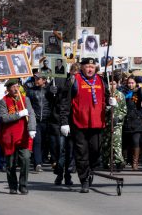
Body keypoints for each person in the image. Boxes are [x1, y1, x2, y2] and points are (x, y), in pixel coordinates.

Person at [59, 58, 108, 193]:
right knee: (81, 153)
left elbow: (107, 97)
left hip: (97, 123)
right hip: (79, 123)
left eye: (92, 66)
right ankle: (84, 179)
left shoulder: (101, 81)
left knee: (95, 150)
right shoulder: (74, 80)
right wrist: (64, 122)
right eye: (87, 66)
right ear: (82, 67)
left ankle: (90, 170)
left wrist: (111, 101)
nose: (90, 69)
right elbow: (65, 101)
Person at [0, 79, 36, 195]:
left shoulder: (25, 100)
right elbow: (4, 118)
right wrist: (19, 114)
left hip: (23, 136)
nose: (16, 89)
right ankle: (13, 186)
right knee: (10, 163)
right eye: (13, 87)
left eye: (17, 86)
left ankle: (23, 185)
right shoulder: (3, 101)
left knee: (25, 159)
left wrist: (32, 128)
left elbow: (31, 114)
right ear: (8, 89)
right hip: (9, 137)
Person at [25, 72, 51, 172]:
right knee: (37, 141)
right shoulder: (31, 91)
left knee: (45, 142)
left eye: (38, 79)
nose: (36, 80)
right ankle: (37, 163)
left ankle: (41, 158)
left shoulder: (49, 91)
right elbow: (28, 105)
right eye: (35, 79)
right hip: (36, 120)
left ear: (44, 80)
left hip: (47, 119)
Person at [101, 76, 126, 171]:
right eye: (110, 84)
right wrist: (107, 107)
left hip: (116, 124)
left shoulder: (120, 95)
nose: (112, 86)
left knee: (116, 143)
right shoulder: (104, 95)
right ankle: (105, 161)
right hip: (106, 123)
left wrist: (118, 117)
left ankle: (119, 162)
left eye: (114, 84)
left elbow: (124, 110)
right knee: (106, 143)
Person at [121, 76, 142, 170]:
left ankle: (135, 163)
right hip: (126, 120)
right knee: (125, 142)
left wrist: (139, 89)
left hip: (136, 120)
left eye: (132, 83)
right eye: (129, 83)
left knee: (135, 141)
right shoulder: (123, 92)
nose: (130, 85)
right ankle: (123, 161)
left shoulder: (139, 92)